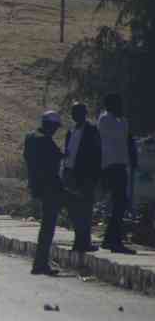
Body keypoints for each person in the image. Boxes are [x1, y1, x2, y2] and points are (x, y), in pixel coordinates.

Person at [23, 111, 65, 275]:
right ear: (49, 125)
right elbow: (53, 160)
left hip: (37, 186)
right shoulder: (44, 140)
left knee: (46, 227)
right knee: (48, 227)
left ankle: (40, 263)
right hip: (49, 187)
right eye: (54, 127)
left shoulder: (30, 137)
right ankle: (40, 264)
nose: (55, 130)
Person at [98, 93, 136, 254]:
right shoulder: (105, 119)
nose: (121, 107)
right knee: (120, 202)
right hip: (111, 166)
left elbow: (126, 140)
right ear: (111, 105)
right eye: (118, 104)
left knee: (120, 203)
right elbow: (120, 137)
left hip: (120, 165)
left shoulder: (121, 121)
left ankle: (110, 239)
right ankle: (115, 241)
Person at [64, 102, 102, 253]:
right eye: (73, 112)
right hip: (70, 174)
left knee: (85, 210)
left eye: (78, 112)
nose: (75, 115)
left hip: (86, 176)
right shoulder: (71, 131)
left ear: (84, 113)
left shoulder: (92, 130)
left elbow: (97, 153)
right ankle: (79, 241)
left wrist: (95, 176)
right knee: (74, 211)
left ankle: (84, 242)